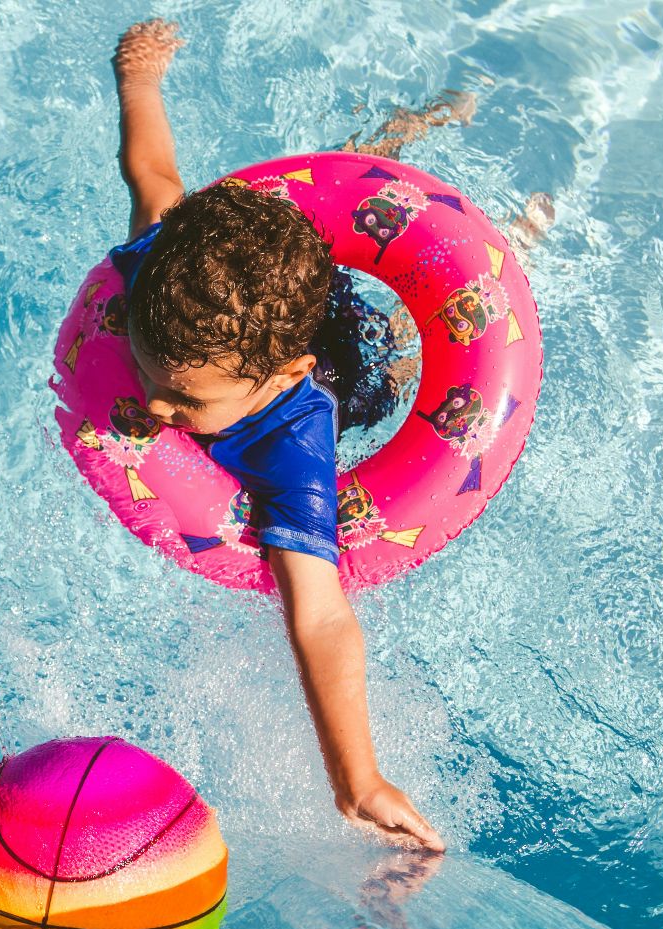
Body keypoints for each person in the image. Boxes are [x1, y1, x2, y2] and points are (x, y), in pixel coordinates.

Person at [110, 19, 445, 851]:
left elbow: (322, 615)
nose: (153, 410)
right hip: (267, 323)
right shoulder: (160, 277)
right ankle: (394, 133)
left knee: (398, 359)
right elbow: (152, 174)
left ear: (274, 381)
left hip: (347, 364)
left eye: (182, 405)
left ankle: (479, 202)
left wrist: (356, 780)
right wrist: (139, 85)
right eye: (147, 377)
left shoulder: (296, 441)